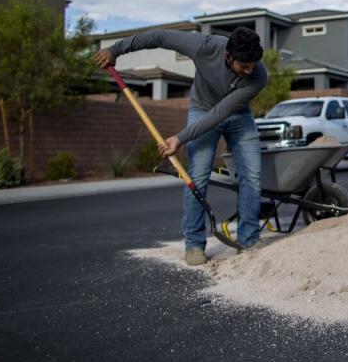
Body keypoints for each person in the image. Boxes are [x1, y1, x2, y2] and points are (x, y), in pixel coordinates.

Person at [94, 26, 268, 266]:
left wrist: (180, 138)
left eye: (252, 65)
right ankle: (194, 244)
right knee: (197, 176)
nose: (249, 71)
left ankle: (249, 239)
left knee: (252, 175)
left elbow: (222, 111)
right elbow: (158, 37)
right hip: (202, 109)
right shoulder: (203, 46)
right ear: (228, 55)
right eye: (243, 66)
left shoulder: (259, 75)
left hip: (237, 114)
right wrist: (116, 50)